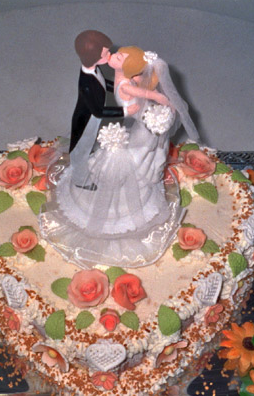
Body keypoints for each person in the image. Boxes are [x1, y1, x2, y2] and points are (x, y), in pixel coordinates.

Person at [40, 45, 199, 269]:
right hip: (140, 122)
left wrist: (156, 96)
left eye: (119, 56)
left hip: (144, 124)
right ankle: (134, 175)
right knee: (135, 154)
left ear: (128, 67)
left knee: (138, 155)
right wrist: (151, 92)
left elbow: (143, 93)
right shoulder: (123, 79)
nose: (113, 55)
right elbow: (125, 88)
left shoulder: (127, 84)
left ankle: (136, 179)